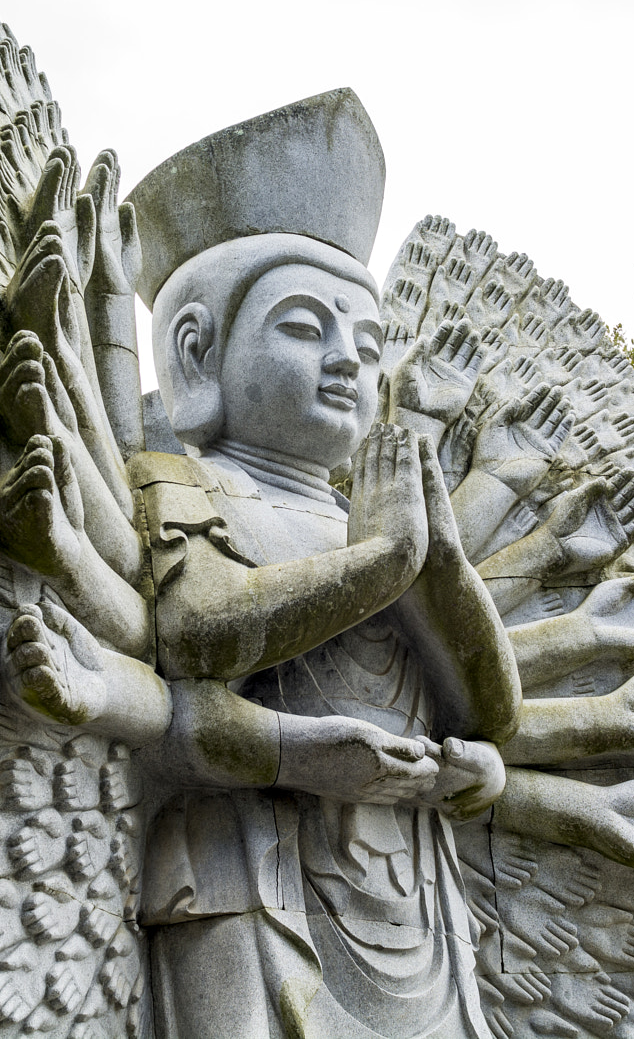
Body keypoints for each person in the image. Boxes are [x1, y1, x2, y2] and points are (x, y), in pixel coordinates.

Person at [125, 90, 516, 1039]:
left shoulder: (373, 513)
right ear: (198, 354)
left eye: (368, 341)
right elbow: (199, 631)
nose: (349, 360)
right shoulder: (183, 483)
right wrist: (384, 564)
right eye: (307, 328)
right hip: (245, 887)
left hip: (417, 900)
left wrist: (442, 567)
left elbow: (491, 711)